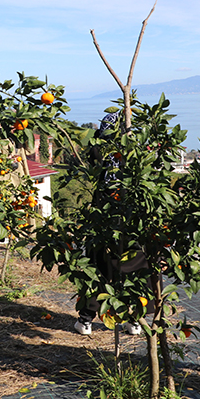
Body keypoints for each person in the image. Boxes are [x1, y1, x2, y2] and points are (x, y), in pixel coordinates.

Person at [74, 111, 147, 336]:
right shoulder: (136, 154)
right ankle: (134, 319)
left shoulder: (101, 150)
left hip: (104, 217)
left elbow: (94, 150)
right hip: (130, 218)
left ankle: (86, 320)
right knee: (134, 267)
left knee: (98, 269)